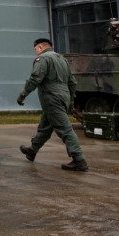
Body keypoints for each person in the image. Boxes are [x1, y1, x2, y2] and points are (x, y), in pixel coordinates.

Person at [16, 38, 88, 171]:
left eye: (36, 49)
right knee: (45, 127)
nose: (36, 52)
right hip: (63, 97)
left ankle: (79, 159)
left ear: (41, 47)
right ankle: (32, 151)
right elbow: (72, 82)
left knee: (65, 129)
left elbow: (35, 78)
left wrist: (23, 94)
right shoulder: (62, 59)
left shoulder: (43, 59)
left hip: (51, 98)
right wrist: (70, 100)